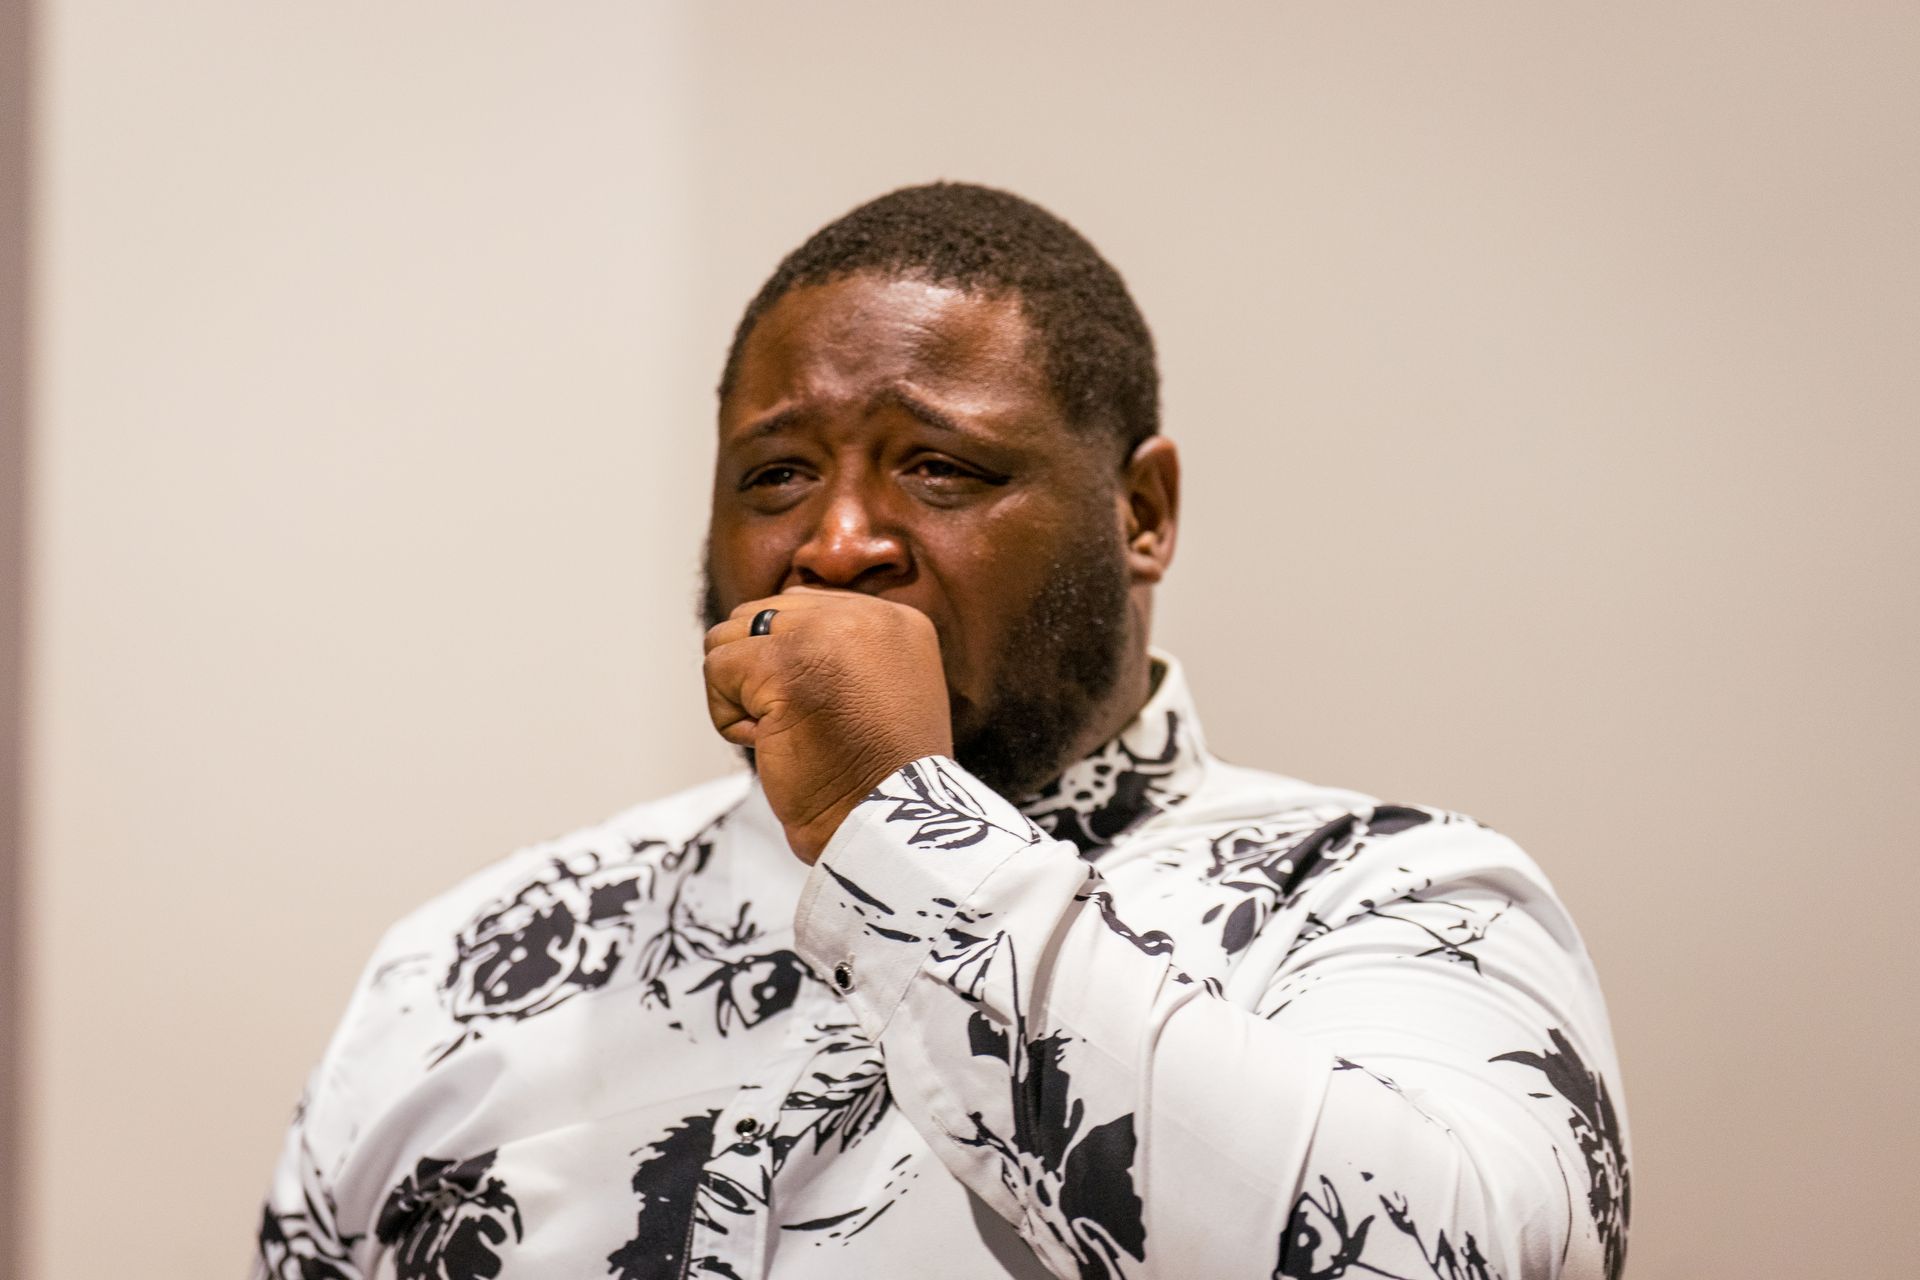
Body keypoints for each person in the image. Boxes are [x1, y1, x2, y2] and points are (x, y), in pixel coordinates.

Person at [253, 182, 1629, 1280]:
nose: (837, 543)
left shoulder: (1396, 901)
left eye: (941, 467)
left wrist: (901, 831)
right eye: (777, 475)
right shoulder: (467, 962)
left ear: (1140, 515)